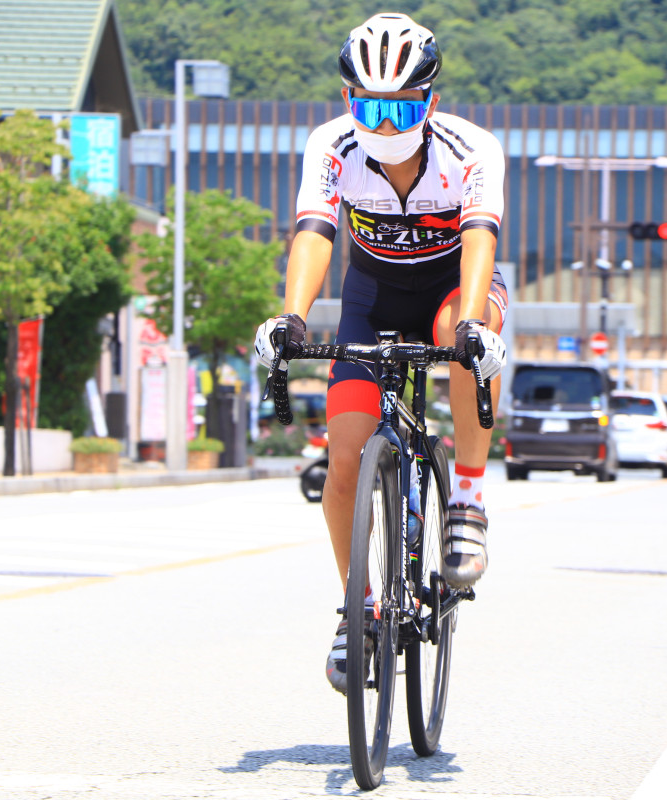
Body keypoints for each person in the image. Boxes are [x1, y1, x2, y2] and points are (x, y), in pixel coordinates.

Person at [254, 12, 508, 693]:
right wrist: (293, 317)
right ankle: (357, 609)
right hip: (372, 294)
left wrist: (476, 326)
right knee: (342, 464)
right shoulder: (331, 146)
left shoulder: (471, 149)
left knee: (467, 334)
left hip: (456, 284)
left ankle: (468, 506)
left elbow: (480, 238)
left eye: (401, 106)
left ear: (427, 99)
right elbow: (314, 231)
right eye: (371, 105)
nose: (387, 123)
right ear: (348, 99)